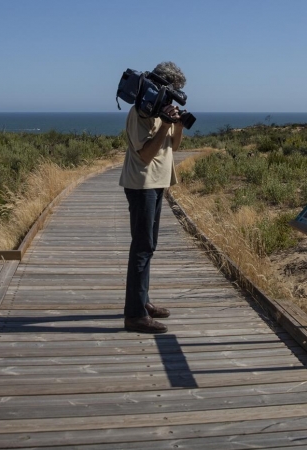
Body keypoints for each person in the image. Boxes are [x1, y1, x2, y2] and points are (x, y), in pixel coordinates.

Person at [119, 61, 187, 334]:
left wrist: (177, 124)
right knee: (142, 246)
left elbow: (174, 145)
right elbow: (145, 155)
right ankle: (134, 315)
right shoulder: (141, 112)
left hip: (158, 184)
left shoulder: (160, 111)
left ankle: (142, 301)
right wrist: (164, 125)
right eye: (174, 90)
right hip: (141, 185)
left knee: (149, 245)